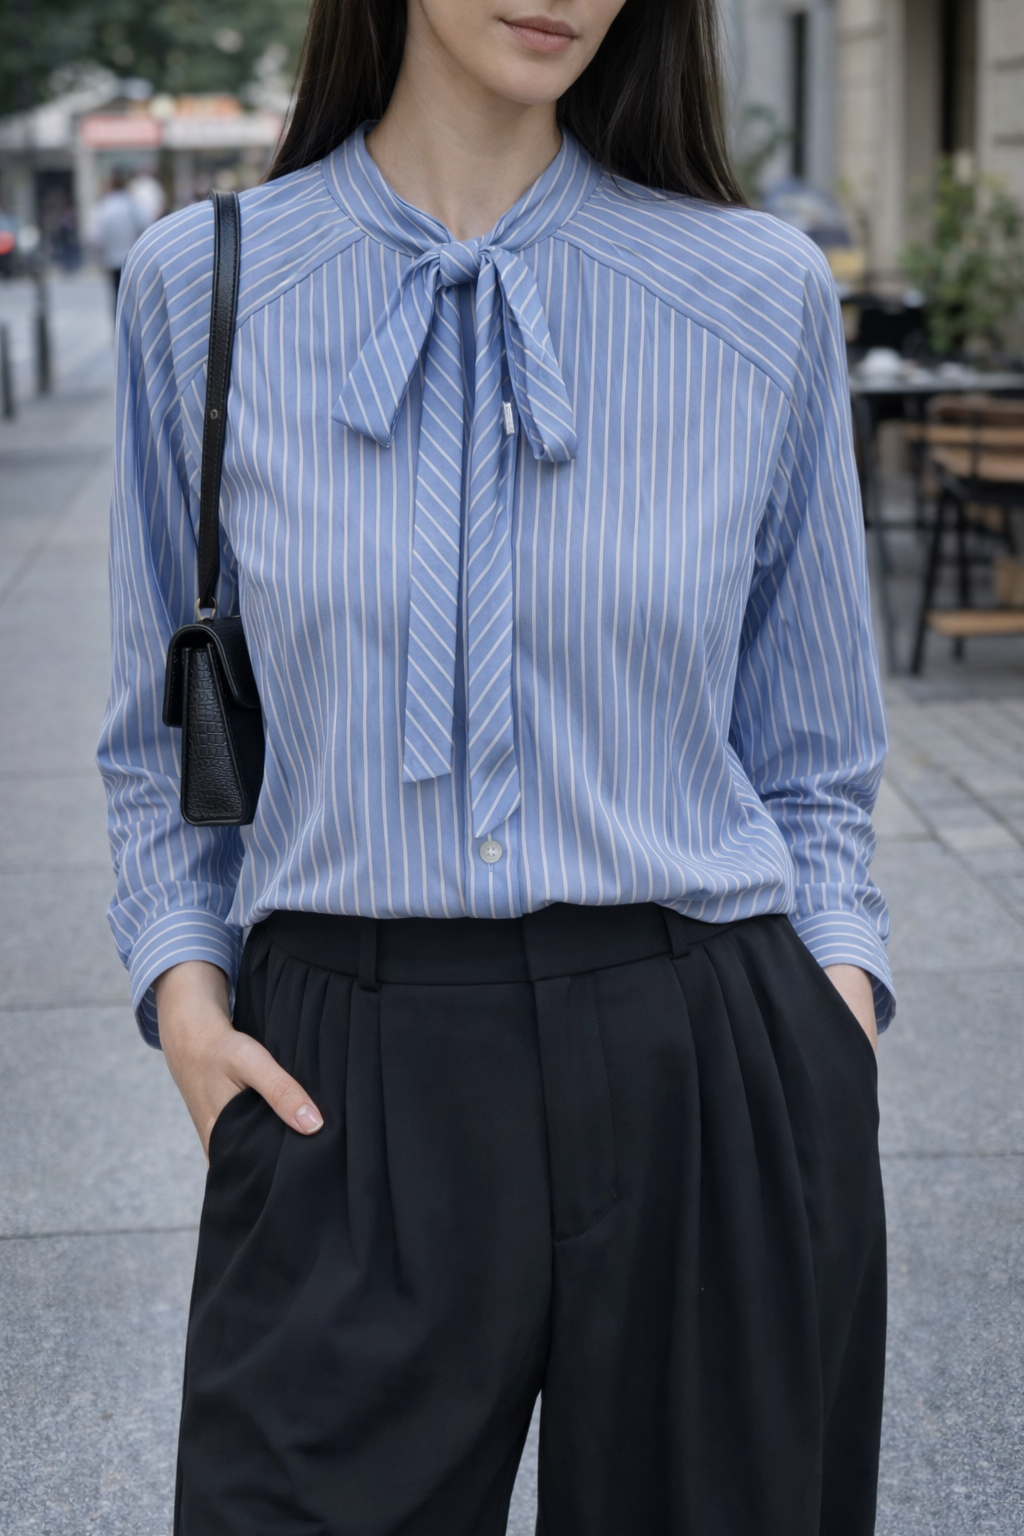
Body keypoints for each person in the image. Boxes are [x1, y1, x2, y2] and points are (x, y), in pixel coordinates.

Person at [98, 0, 894, 1529]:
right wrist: (192, 1005)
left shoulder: (758, 291)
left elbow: (812, 756)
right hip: (350, 1065)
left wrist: (830, 1026)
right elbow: (160, 740)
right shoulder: (201, 288)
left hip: (706, 1048)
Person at [88, 169, 146, 307]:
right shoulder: (132, 204)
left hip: (112, 258)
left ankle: (118, 325)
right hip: (132, 257)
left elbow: (95, 236)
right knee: (133, 298)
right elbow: (143, 226)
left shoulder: (104, 206)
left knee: (117, 297)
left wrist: (100, 255)